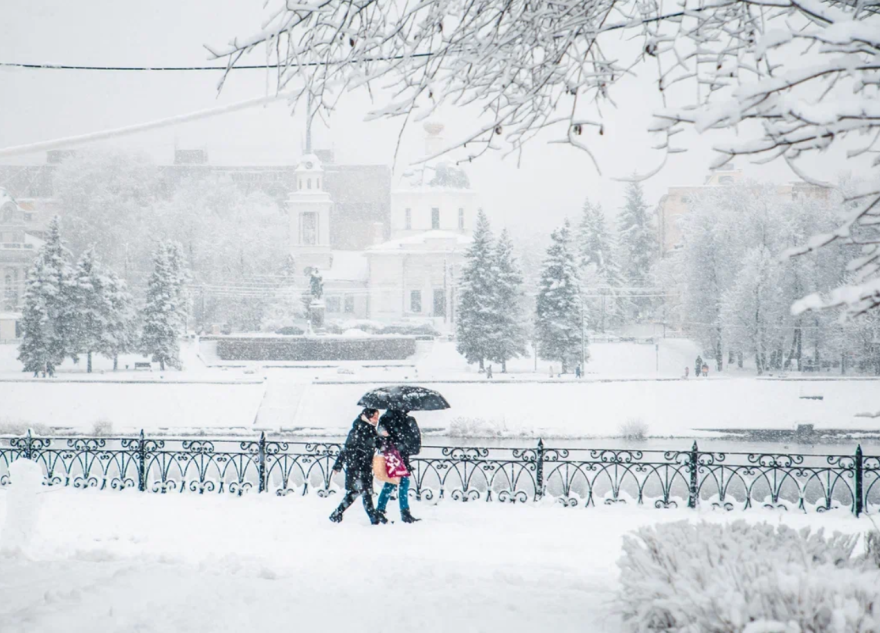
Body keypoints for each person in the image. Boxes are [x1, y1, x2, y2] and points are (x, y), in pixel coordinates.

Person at [329, 408, 383, 525]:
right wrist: (338, 465)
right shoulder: (357, 430)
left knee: (355, 493)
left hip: (365, 467)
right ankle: (374, 519)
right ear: (367, 417)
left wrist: (384, 437)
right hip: (356, 467)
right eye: (374, 417)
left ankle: (337, 514)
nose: (376, 419)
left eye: (377, 417)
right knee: (364, 493)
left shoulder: (371, 430)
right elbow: (346, 449)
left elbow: (379, 444)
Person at [375, 409, 421, 523]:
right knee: (400, 483)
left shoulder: (386, 418)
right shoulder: (406, 420)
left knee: (393, 483)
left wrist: (389, 440)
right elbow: (415, 441)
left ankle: (381, 510)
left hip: (394, 456)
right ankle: (403, 512)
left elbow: (380, 440)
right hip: (396, 456)